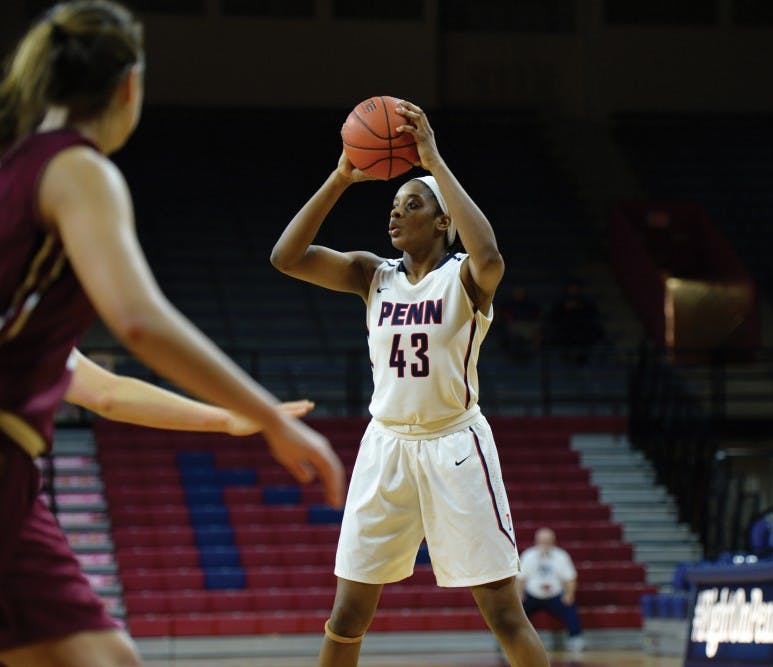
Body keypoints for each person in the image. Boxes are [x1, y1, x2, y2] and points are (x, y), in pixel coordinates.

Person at [0, 3, 345, 665]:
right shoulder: (78, 169)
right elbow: (139, 319)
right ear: (129, 86)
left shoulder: (14, 176)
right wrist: (272, 419)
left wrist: (225, 418)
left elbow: (101, 389)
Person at [271, 100, 550, 667]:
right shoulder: (373, 275)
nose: (395, 215)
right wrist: (344, 175)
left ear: (443, 221)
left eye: (412, 204)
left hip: (455, 444)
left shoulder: (466, 279)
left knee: (502, 612)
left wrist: (433, 160)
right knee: (347, 615)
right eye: (394, 205)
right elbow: (287, 256)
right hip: (387, 446)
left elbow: (490, 252)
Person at [516, 527, 585, 653]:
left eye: (547, 540)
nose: (544, 543)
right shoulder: (528, 555)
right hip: (532, 596)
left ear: (553, 541)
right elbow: (520, 579)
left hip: (555, 596)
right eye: (542, 540)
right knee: (515, 611)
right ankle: (512, 641)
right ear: (536, 541)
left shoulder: (561, 556)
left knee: (569, 607)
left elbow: (570, 578)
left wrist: (569, 594)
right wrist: (519, 594)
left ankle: (575, 638)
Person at [545, 279, 602, 365]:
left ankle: (581, 359)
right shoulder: (560, 300)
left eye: (576, 288)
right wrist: (564, 308)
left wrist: (581, 308)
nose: (574, 290)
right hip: (564, 328)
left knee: (590, 334)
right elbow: (552, 315)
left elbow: (594, 313)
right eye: (572, 288)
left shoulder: (586, 301)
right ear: (568, 289)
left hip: (582, 328)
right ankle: (566, 357)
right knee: (559, 335)